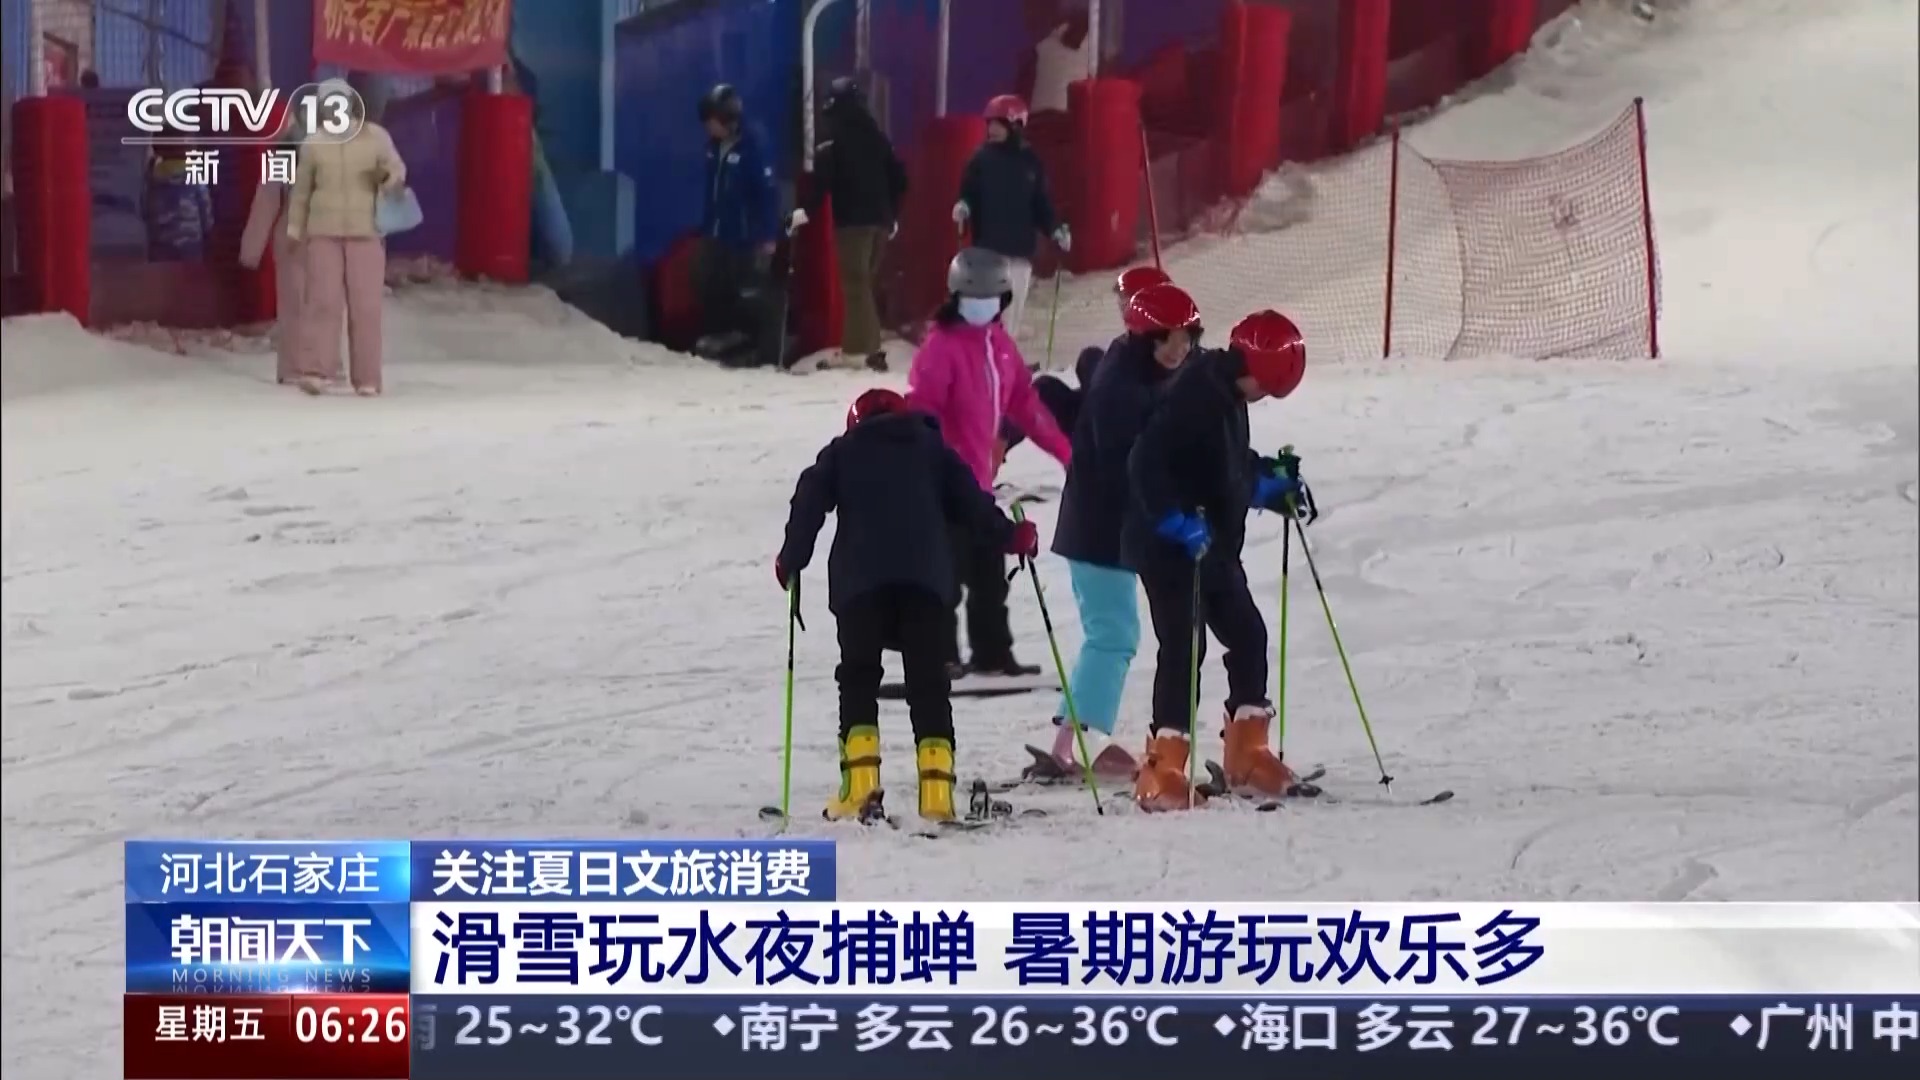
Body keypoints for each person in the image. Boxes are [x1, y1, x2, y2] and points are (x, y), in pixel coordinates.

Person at [777, 388, 1041, 824]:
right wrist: (1013, 537)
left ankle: (859, 789)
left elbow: (808, 501)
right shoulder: (934, 451)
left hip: (859, 585)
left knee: (859, 677)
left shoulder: (842, 452)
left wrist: (791, 559)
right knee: (929, 684)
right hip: (925, 583)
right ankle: (936, 795)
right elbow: (974, 505)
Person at [1124, 310, 1312, 812]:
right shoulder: (1195, 395)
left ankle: (1247, 756)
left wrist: (1269, 482)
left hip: (1215, 547)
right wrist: (1173, 519)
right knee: (1185, 647)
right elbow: (1144, 461)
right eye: (1263, 387)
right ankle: (1162, 768)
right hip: (1170, 547)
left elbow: (1226, 463)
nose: (1261, 396)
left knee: (1249, 635)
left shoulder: (1228, 394)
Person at [1025, 281, 1202, 780]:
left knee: (1111, 633)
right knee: (1113, 634)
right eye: (1166, 339)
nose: (1178, 350)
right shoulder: (1119, 391)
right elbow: (1127, 466)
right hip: (1099, 528)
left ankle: (1069, 742)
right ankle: (1078, 743)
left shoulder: (1142, 370)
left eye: (1186, 338)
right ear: (1143, 337)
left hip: (1114, 527)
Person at [907, 248, 1071, 681]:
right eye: (972, 299)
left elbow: (1024, 404)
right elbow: (922, 409)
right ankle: (939, 656)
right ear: (956, 297)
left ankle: (993, 653)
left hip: (979, 485)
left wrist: (1066, 453)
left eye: (990, 299)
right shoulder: (940, 348)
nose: (981, 307)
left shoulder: (1000, 346)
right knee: (944, 575)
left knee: (988, 572)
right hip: (943, 484)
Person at [285, 79, 405, 396]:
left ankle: (367, 378)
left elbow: (396, 169)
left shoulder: (375, 138)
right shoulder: (313, 144)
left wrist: (388, 178)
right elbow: (301, 192)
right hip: (322, 233)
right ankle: (316, 371)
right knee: (322, 303)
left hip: (366, 233)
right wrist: (295, 230)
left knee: (366, 307)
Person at [998, 264, 1173, 465]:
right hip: (1097, 422)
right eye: (1122, 303)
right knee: (1046, 388)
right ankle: (996, 446)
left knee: (1089, 359)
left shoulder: (1169, 347)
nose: (1123, 310)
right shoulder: (1130, 341)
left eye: (1128, 303)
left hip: (1120, 438)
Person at [788, 78, 907, 373]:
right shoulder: (879, 139)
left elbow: (822, 184)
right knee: (864, 285)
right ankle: (868, 348)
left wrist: (803, 211)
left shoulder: (834, 143)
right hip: (881, 223)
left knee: (855, 285)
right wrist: (892, 215)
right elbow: (900, 179)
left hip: (853, 224)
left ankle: (861, 351)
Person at [953, 95, 1070, 344]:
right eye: (990, 124)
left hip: (1020, 250)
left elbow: (1041, 203)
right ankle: (988, 355)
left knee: (1014, 312)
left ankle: (1008, 355)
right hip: (989, 251)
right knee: (992, 311)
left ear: (1015, 125)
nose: (992, 130)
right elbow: (968, 191)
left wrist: (1056, 229)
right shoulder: (980, 159)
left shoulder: (1030, 162)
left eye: (998, 124)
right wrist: (964, 206)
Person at [694, 83, 783, 367]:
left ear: (726, 118)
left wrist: (767, 235)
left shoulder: (753, 144)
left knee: (746, 293)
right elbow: (713, 191)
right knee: (713, 287)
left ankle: (757, 349)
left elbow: (767, 193)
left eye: (711, 122)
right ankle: (721, 343)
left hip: (745, 236)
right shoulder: (713, 148)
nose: (708, 128)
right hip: (717, 232)